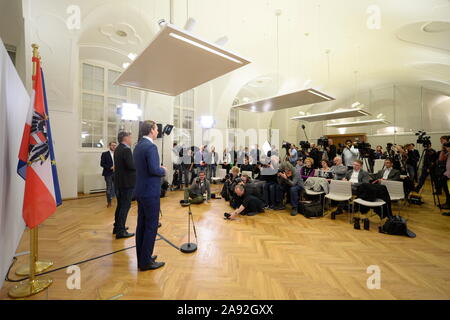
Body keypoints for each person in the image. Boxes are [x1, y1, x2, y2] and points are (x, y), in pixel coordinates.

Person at [133, 121, 166, 271]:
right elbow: (153, 169)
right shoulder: (151, 147)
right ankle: (145, 262)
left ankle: (143, 257)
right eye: (156, 129)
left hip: (140, 191)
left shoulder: (138, 146)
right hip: (150, 192)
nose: (158, 132)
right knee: (151, 226)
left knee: (142, 225)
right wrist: (163, 170)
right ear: (151, 130)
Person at [113, 132, 136, 239]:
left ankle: (117, 227)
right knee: (125, 206)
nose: (131, 139)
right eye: (130, 137)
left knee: (120, 205)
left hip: (119, 182)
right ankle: (121, 231)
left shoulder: (118, 149)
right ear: (125, 138)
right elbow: (131, 166)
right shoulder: (126, 150)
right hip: (126, 183)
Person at [100, 141, 116, 208]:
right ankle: (109, 202)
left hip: (116, 173)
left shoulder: (117, 153)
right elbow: (102, 164)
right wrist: (110, 167)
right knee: (109, 188)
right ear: (109, 146)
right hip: (108, 173)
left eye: (115, 145)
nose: (114, 147)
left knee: (117, 187)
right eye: (112, 145)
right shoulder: (105, 154)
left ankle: (117, 200)